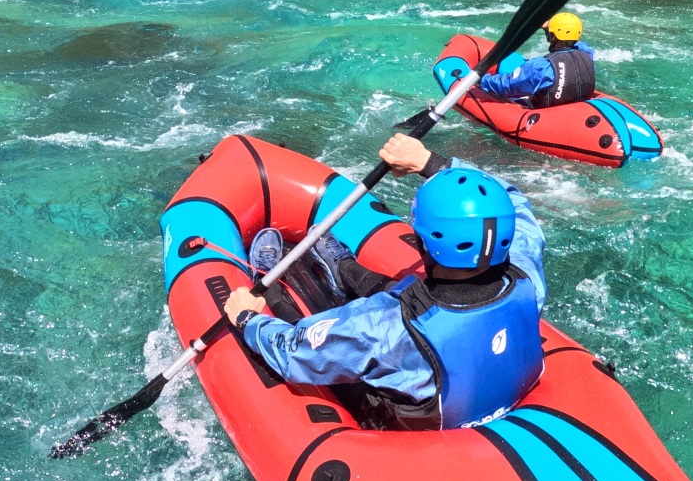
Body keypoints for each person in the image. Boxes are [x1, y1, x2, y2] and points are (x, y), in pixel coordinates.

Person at [221, 133, 546, 430]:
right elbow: (513, 201)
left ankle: (270, 288)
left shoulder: (382, 327)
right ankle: (344, 267)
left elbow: (295, 354)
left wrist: (248, 319)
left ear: (424, 244)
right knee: (411, 298)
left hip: (408, 423)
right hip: (469, 379)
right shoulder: (526, 269)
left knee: (326, 330)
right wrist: (429, 163)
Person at [475, 11, 596, 107]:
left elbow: (507, 85)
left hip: (547, 115)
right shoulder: (586, 53)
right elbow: (578, 43)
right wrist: (549, 27)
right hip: (576, 108)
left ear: (552, 37)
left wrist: (481, 79)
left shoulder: (541, 67)